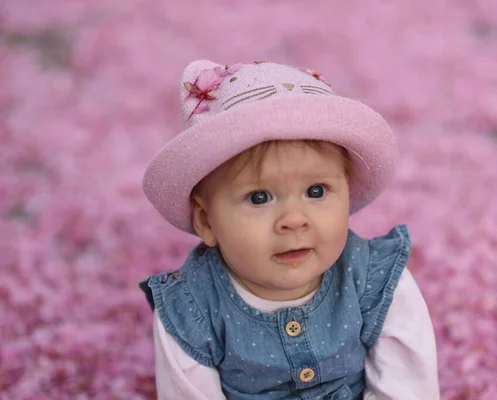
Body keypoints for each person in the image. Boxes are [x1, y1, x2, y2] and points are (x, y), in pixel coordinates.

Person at [139, 59, 439, 399]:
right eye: (259, 197)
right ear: (207, 221)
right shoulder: (191, 308)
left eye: (316, 191)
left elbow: (406, 387)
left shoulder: (377, 280)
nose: (293, 220)